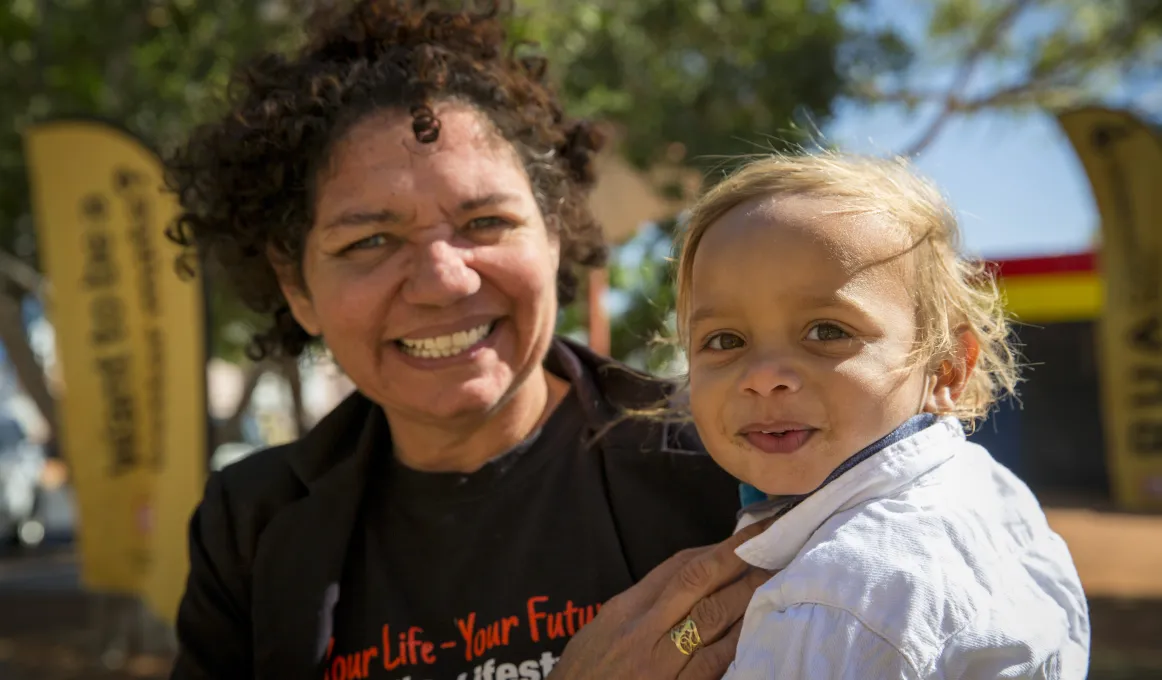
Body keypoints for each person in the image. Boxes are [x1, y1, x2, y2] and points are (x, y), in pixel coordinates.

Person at [164, 2, 766, 679]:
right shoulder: (250, 526)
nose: (442, 282)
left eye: (484, 222)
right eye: (369, 240)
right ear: (297, 287)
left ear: (555, 232)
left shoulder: (730, 461)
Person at [671, 153, 1091, 678]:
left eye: (827, 331)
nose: (763, 375)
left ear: (945, 370)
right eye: (724, 340)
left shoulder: (833, 603)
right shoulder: (991, 490)